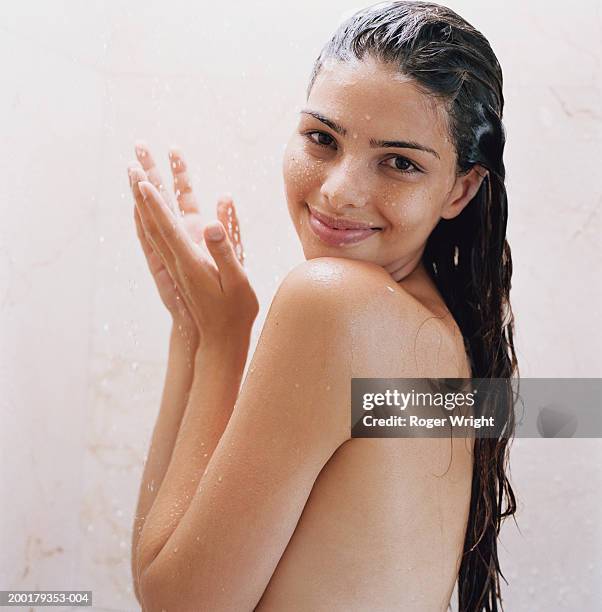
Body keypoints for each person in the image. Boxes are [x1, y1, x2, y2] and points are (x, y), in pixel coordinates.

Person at [127, 1, 518, 610]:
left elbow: (176, 601)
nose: (338, 191)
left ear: (460, 189)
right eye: (322, 138)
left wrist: (219, 338)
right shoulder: (445, 338)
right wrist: (191, 324)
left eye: (398, 162)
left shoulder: (333, 305)